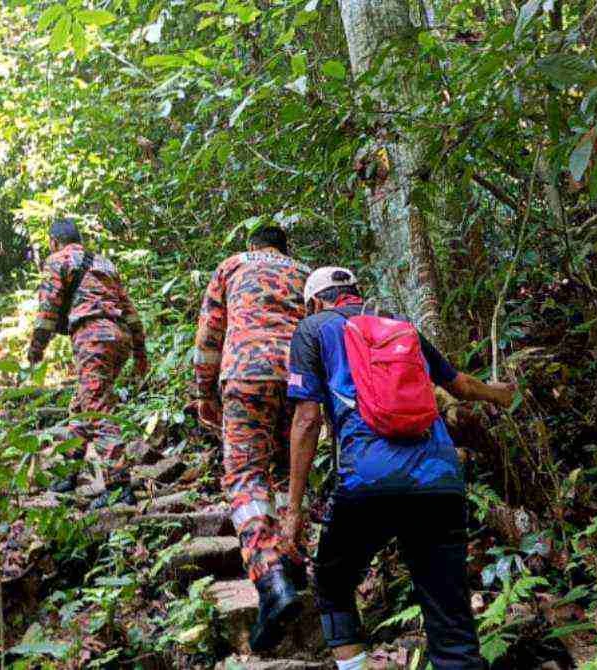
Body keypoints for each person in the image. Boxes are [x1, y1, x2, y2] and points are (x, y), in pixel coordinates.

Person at [283, 267, 516, 670]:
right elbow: (459, 385)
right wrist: (503, 395)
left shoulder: (313, 329)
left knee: (334, 583)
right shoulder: (399, 327)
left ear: (314, 303)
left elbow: (307, 419)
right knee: (449, 611)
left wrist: (293, 510)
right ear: (355, 294)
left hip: (367, 482)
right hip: (439, 480)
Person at [192, 225, 311, 651]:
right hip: (300, 381)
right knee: (288, 472)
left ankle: (271, 579)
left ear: (253, 246)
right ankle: (293, 560)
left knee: (245, 477)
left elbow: (209, 334)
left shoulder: (233, 265)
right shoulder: (305, 273)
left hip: (246, 375)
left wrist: (204, 392)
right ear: (284, 249)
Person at [27, 217, 149, 505]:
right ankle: (69, 472)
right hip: (119, 337)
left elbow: (48, 308)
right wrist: (140, 352)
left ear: (53, 242)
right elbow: (129, 310)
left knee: (96, 409)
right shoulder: (104, 263)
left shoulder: (58, 259)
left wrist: (36, 348)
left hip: (92, 336)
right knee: (81, 404)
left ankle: (119, 487)